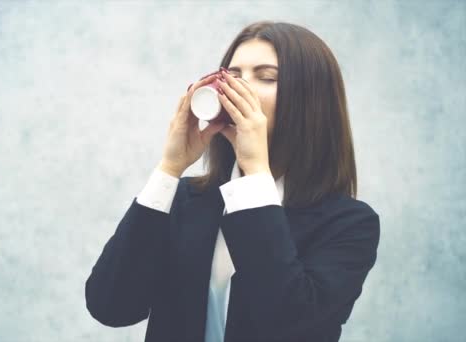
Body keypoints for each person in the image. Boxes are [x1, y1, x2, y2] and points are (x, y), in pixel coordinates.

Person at [85, 20, 380, 342]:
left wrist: (254, 168)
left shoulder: (349, 223)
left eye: (266, 77)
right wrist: (169, 168)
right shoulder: (187, 200)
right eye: (233, 76)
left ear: (311, 100)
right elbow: (111, 306)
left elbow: (291, 323)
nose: (237, 90)